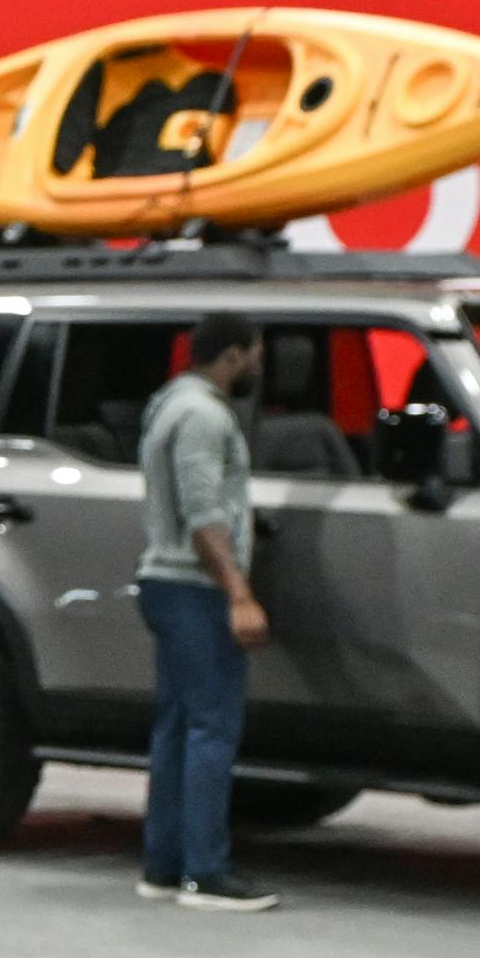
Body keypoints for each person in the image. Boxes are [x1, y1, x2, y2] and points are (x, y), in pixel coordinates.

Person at [136, 313, 277, 910]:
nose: (260, 366)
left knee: (176, 728)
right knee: (212, 729)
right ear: (234, 354)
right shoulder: (204, 416)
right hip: (195, 588)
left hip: (169, 587)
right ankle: (205, 873)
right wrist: (238, 592)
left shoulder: (169, 404)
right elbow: (202, 514)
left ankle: (164, 867)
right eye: (255, 354)